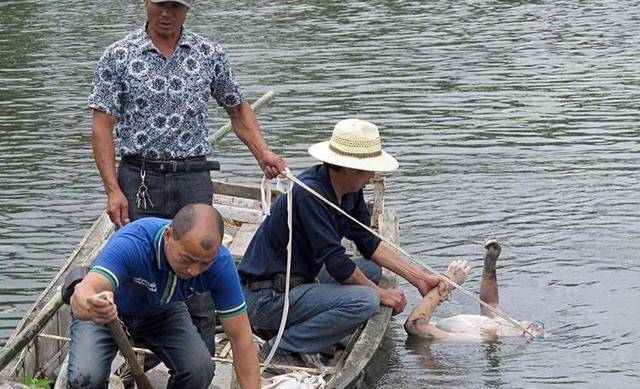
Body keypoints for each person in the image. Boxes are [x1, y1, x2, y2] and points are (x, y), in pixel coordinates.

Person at [87, 0, 286, 376]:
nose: (167, 14)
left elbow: (237, 109)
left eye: (176, 6)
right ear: (147, 4)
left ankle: (199, 365)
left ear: (187, 9)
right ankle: (137, 355)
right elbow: (103, 125)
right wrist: (112, 189)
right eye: (161, 4)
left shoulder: (209, 53)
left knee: (198, 268)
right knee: (139, 268)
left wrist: (264, 153)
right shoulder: (119, 55)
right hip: (139, 177)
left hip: (192, 176)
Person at [237, 119, 445, 367]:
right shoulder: (310, 195)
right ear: (349, 168)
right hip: (267, 297)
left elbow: (368, 241)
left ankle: (314, 329)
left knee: (371, 269)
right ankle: (284, 346)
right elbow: (337, 263)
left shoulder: (349, 190)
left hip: (300, 280)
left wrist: (419, 278)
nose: (372, 177)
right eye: (369, 170)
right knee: (365, 300)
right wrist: (380, 294)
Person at [68, 204, 260, 389]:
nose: (194, 271)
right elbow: (84, 292)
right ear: (168, 236)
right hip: (107, 313)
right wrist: (89, 305)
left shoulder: (221, 264)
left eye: (204, 264)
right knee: (86, 377)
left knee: (199, 370)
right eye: (187, 259)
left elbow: (241, 340)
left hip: (162, 311)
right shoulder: (132, 243)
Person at [404, 239, 549, 342]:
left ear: (517, 336)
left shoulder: (473, 337)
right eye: (532, 325)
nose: (529, 323)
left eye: (529, 328)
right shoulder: (497, 324)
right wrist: (490, 262)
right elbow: (490, 304)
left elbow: (415, 327)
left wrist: (449, 283)